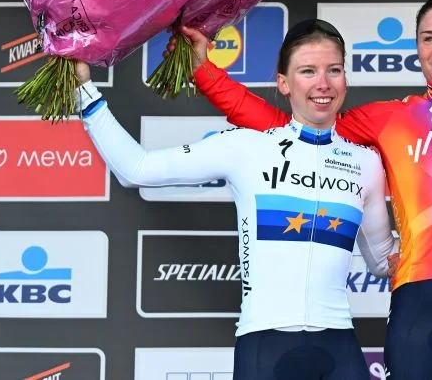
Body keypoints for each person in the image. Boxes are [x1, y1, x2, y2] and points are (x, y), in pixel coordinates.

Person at [184, 0, 432, 380]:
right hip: (417, 313)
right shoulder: (389, 118)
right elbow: (282, 127)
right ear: (418, 48)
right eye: (428, 38)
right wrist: (205, 73)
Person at [76, 19, 394, 380]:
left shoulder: (365, 163)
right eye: (308, 71)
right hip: (265, 347)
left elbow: (382, 260)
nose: (323, 83)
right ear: (284, 83)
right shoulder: (245, 147)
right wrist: (85, 93)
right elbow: (136, 169)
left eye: (333, 70)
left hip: (339, 346)